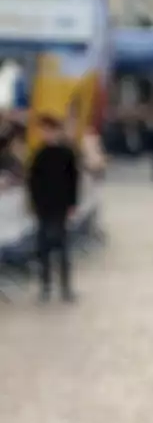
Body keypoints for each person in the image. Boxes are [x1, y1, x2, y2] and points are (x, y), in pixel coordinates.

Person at [25, 114, 80, 303]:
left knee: (63, 247)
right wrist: (33, 202)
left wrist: (73, 203)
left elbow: (73, 180)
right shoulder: (39, 154)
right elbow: (32, 181)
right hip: (43, 206)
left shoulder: (66, 153)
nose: (46, 134)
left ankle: (65, 286)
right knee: (44, 247)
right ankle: (46, 286)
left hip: (61, 205)